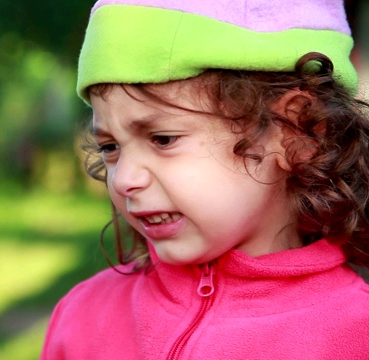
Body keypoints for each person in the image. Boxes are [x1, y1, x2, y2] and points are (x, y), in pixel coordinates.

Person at [41, 0, 369, 359]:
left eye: (162, 139)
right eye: (110, 146)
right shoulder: (84, 314)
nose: (124, 180)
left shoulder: (354, 333)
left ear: (296, 132)